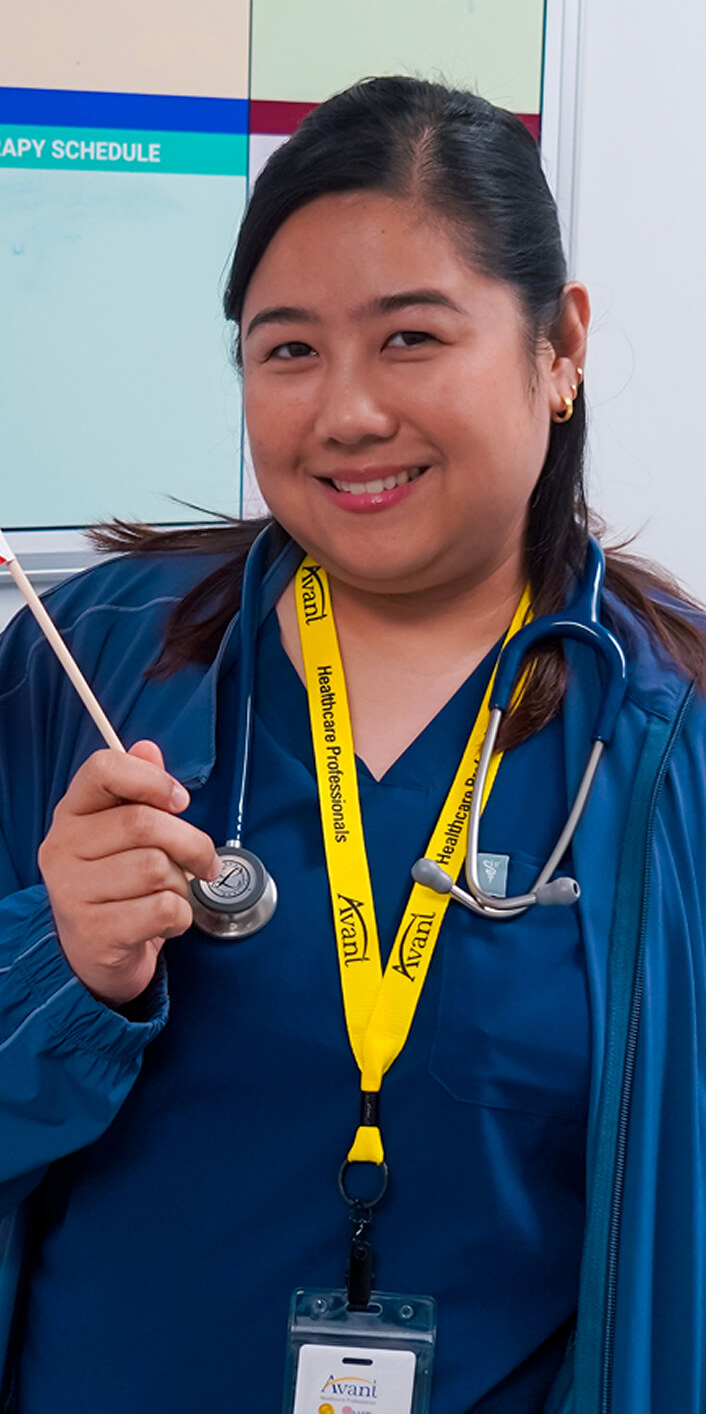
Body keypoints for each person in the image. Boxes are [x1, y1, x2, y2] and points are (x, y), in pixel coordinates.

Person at [0, 75, 705, 1414]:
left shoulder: (669, 744)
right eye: (286, 350)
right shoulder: (80, 672)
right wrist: (59, 962)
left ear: (558, 347)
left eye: (409, 339)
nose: (344, 413)